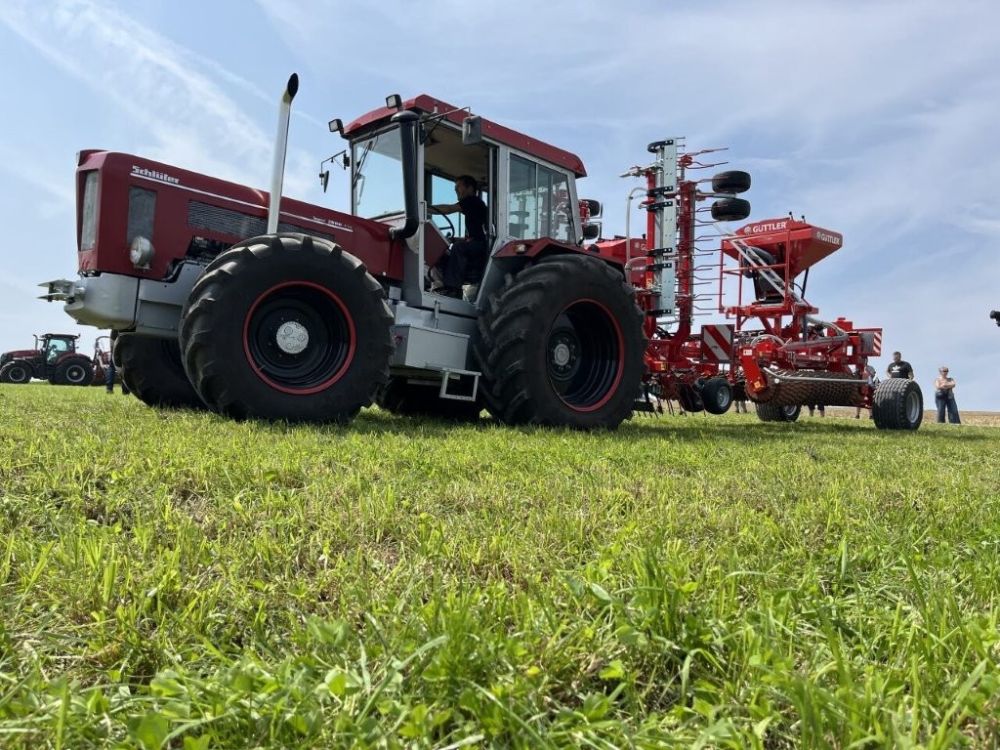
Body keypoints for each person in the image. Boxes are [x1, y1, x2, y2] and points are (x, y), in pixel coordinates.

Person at [427, 175, 489, 298]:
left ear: (470, 188)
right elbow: (473, 236)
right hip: (476, 243)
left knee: (458, 247)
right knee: (443, 252)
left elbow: (449, 208)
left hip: (482, 246)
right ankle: (438, 285)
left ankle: (453, 289)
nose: (455, 190)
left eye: (458, 186)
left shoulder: (473, 201)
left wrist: (426, 208)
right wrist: (454, 239)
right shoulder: (473, 208)